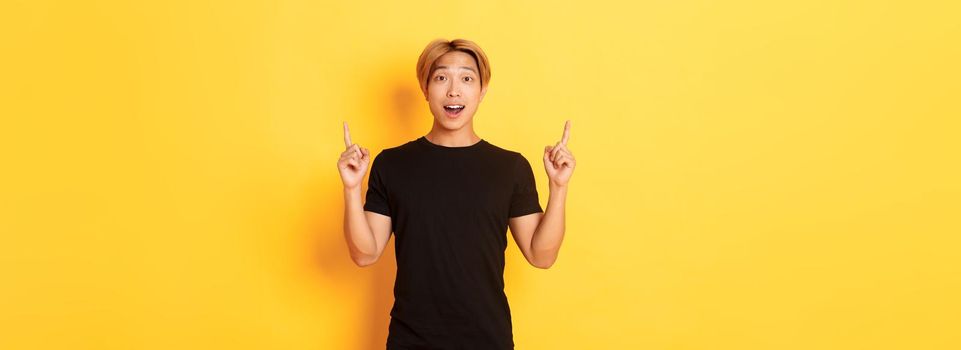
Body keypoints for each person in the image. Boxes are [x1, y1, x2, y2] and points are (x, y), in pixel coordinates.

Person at [337, 38, 576, 349]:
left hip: (488, 340)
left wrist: (559, 187)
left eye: (466, 78)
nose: (453, 90)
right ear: (425, 89)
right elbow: (364, 253)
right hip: (411, 340)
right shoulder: (392, 164)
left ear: (482, 91)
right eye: (440, 78)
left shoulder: (510, 167)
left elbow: (541, 255)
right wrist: (351, 188)